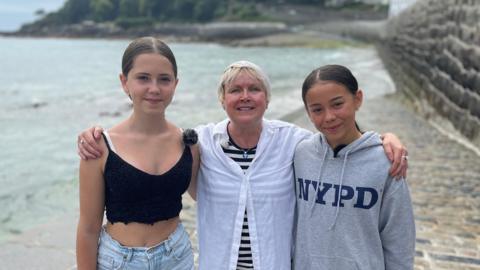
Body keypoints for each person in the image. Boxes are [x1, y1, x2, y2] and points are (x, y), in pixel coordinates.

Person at [77, 61, 408, 270]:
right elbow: (154, 140)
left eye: (255, 89)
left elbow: (338, 139)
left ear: (268, 98)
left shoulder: (295, 142)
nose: (245, 96)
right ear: (222, 99)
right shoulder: (199, 142)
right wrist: (97, 135)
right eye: (235, 89)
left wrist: (383, 141)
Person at [75, 37, 199, 270]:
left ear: (175, 84)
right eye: (143, 78)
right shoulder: (99, 147)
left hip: (177, 257)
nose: (154, 88)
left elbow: (210, 194)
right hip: (119, 261)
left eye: (164, 79)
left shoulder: (189, 143)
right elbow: (88, 229)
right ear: (124, 82)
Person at [293, 64, 415, 270]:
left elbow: (399, 238)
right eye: (317, 109)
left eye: (337, 104)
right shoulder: (300, 154)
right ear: (308, 111)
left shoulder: (387, 161)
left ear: (357, 99)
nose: (329, 117)